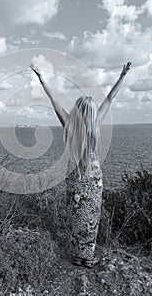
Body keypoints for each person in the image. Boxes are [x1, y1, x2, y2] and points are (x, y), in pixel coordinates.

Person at [30, 61, 131, 268]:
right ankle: (88, 256)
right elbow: (110, 98)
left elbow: (54, 100)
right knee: (91, 216)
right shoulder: (95, 125)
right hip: (93, 176)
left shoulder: (69, 125)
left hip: (74, 176)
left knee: (77, 216)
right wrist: (121, 76)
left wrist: (42, 78)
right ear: (92, 112)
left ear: (77, 111)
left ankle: (78, 255)